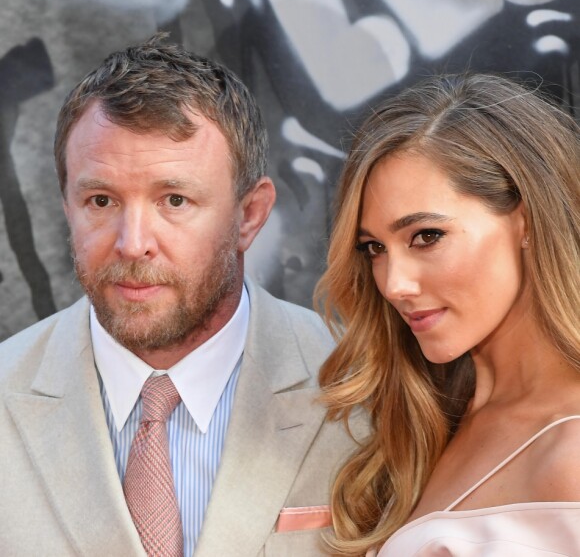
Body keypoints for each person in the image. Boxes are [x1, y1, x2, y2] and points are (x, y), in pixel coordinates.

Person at [0, 34, 364, 557]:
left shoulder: (364, 392)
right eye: (100, 200)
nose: (132, 244)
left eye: (174, 199)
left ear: (250, 215)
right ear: (66, 207)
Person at [315, 72, 580, 556]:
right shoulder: (428, 422)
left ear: (526, 221)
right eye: (374, 248)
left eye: (426, 236)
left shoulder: (571, 451)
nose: (394, 285)